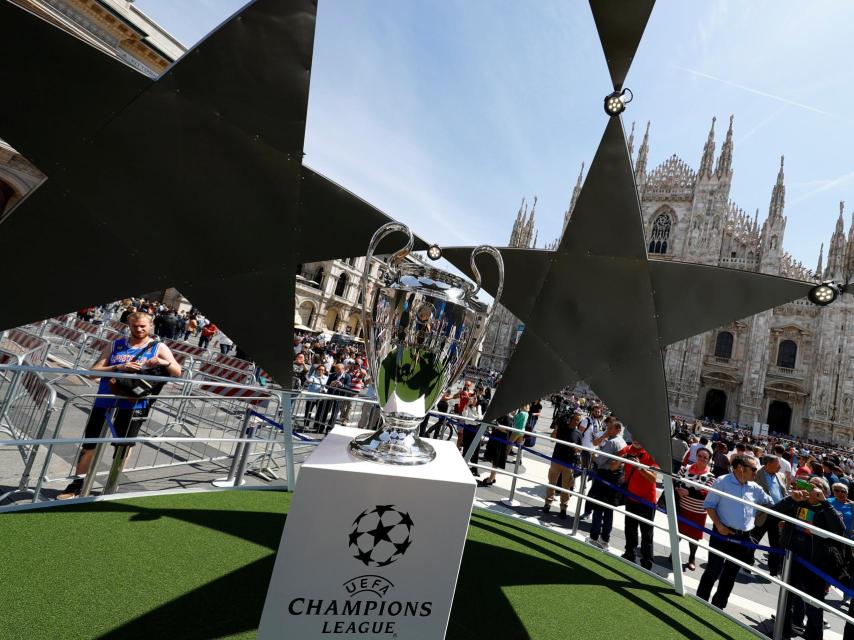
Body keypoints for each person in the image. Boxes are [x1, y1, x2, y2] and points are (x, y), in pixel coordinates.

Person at [57, 312, 181, 499]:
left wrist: (164, 361)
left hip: (133, 403)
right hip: (105, 399)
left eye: (143, 326)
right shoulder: (116, 345)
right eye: (135, 326)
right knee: (90, 445)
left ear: (151, 326)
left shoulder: (158, 346)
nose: (138, 329)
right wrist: (118, 367)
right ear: (129, 326)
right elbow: (93, 372)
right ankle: (77, 483)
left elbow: (177, 372)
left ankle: (112, 483)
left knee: (123, 446)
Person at [696, 455, 773, 610]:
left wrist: (758, 513)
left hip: (743, 537)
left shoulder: (755, 487)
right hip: (722, 532)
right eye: (753, 469)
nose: (756, 472)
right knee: (713, 569)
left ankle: (718, 607)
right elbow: (709, 505)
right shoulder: (722, 481)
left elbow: (770, 503)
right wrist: (718, 525)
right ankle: (700, 602)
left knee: (730, 575)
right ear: (740, 468)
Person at [777, 483, 846, 640]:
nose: (811, 493)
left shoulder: (827, 509)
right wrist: (790, 499)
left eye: (817, 490)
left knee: (814, 607)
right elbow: (774, 512)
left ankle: (814, 637)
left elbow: (839, 528)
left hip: (815, 563)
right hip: (792, 559)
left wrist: (824, 502)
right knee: (786, 599)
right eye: (810, 488)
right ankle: (782, 632)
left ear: (824, 493)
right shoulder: (796, 503)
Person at [619, 438, 660, 570]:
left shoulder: (652, 453)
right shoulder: (628, 449)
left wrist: (639, 467)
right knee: (630, 528)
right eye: (634, 436)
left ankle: (647, 561)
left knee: (646, 533)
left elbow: (653, 478)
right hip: (631, 497)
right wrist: (619, 460)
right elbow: (612, 464)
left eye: (639, 436)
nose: (636, 439)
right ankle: (629, 553)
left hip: (647, 501)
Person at [586, 419, 627, 549]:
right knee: (608, 510)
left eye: (610, 428)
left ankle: (594, 537)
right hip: (616, 478)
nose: (607, 430)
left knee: (598, 508)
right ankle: (605, 539)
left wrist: (593, 456)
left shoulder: (612, 442)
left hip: (605, 476)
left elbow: (600, 462)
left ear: (618, 430)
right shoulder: (622, 442)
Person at [676, 447, 715, 571]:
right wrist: (678, 489)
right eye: (700, 456)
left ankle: (692, 558)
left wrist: (688, 492)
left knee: (694, 538)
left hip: (698, 512)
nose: (702, 459)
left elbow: (705, 494)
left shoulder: (711, 477)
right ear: (696, 456)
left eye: (705, 457)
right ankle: (674, 554)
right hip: (682, 507)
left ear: (709, 460)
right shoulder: (684, 469)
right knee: (678, 533)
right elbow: (676, 481)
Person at [751, 454, 789, 577]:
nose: (779, 467)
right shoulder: (756, 474)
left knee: (777, 543)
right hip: (762, 514)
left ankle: (774, 569)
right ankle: (746, 562)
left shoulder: (781, 476)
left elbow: (784, 493)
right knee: (754, 538)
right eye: (777, 464)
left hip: (778, 515)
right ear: (767, 463)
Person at [542, 412, 583, 519]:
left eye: (578, 420)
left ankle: (563, 508)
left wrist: (576, 448)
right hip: (556, 459)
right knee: (552, 482)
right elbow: (552, 438)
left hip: (569, 463)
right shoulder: (562, 428)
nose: (576, 422)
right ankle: (548, 503)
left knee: (566, 486)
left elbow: (581, 449)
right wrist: (557, 427)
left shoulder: (578, 433)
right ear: (571, 419)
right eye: (575, 419)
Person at [482, 415, 511, 486]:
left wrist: (497, 426)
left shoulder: (507, 418)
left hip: (500, 441)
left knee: (496, 460)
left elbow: (507, 430)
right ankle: (493, 477)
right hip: (496, 439)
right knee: (494, 460)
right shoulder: (502, 415)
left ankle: (491, 479)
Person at [303, 364, 328, 431]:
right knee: (308, 411)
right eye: (319, 369)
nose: (321, 371)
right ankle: (306, 425)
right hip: (312, 397)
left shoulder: (326, 378)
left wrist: (325, 390)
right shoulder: (313, 377)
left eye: (322, 370)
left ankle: (316, 425)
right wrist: (308, 382)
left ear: (324, 371)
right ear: (316, 370)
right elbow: (308, 383)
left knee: (319, 412)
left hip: (321, 398)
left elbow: (328, 387)